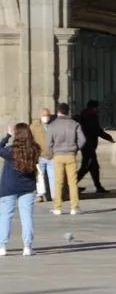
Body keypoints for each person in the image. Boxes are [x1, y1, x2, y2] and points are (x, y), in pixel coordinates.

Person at [0, 124, 41, 256]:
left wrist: (7, 136)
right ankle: (27, 247)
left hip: (9, 187)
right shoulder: (34, 149)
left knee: (6, 216)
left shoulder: (10, 151)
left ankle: (2, 246)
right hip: (27, 187)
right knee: (27, 216)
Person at [47, 102, 85, 215]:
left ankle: (57, 207)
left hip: (58, 155)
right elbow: (82, 140)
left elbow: (48, 143)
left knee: (58, 182)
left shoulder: (52, 125)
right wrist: (75, 149)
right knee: (72, 182)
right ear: (67, 111)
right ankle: (74, 207)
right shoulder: (74, 124)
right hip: (70, 154)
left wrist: (52, 152)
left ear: (58, 112)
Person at [76, 100, 115, 193]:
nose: (98, 109)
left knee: (94, 167)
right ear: (94, 107)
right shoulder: (91, 116)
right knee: (86, 167)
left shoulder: (85, 115)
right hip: (88, 146)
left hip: (87, 145)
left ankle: (98, 186)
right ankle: (71, 185)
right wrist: (108, 137)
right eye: (97, 107)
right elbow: (96, 130)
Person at [30, 108, 55, 203]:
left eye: (47, 115)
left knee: (53, 177)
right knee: (40, 177)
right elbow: (30, 138)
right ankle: (40, 195)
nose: (46, 117)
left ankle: (54, 196)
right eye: (44, 115)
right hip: (40, 156)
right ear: (40, 116)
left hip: (51, 156)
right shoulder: (34, 126)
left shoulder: (53, 125)